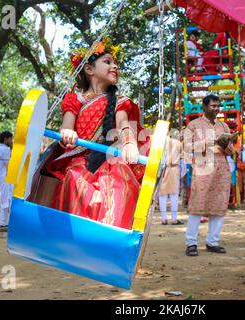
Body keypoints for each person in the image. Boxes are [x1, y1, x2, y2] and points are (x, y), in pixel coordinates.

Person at [47, 38, 148, 230]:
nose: (114, 66)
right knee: (74, 179)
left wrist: (129, 143)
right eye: (108, 62)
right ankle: (75, 235)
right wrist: (67, 132)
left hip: (110, 160)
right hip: (80, 158)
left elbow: (124, 125)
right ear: (89, 70)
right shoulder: (74, 99)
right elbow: (67, 126)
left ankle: (111, 237)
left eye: (115, 63)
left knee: (122, 183)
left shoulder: (120, 101)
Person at [183, 94, 236, 256]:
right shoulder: (193, 125)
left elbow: (231, 151)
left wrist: (226, 144)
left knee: (219, 205)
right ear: (204, 107)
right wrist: (210, 142)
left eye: (217, 106)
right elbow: (187, 146)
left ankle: (212, 242)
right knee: (197, 205)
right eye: (213, 106)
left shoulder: (224, 126)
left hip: (221, 169)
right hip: (202, 168)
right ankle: (191, 243)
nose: (216, 108)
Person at [158, 134, 183, 225]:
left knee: (162, 195)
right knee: (174, 195)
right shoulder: (178, 143)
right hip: (175, 169)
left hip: (164, 169)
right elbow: (183, 156)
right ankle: (174, 219)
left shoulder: (161, 143)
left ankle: (164, 219)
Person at [0, 131, 13, 228]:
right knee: (6, 199)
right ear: (5, 139)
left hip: (1, 177)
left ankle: (4, 221)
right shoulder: (5, 149)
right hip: (6, 177)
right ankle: (4, 222)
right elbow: (8, 165)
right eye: (10, 139)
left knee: (5, 198)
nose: (11, 141)